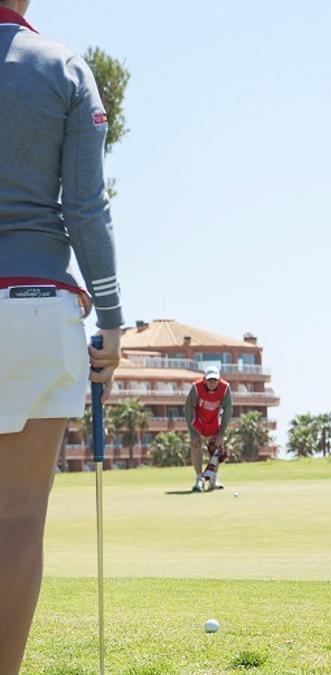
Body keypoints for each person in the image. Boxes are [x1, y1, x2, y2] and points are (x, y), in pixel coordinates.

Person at [0, 1, 123, 670]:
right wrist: (110, 318)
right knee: (16, 520)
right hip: (36, 309)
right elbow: (85, 208)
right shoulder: (63, 67)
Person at [186, 366, 233, 492]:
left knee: (217, 447)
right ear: (205, 380)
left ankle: (213, 478)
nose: (212, 383)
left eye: (214, 380)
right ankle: (199, 479)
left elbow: (228, 410)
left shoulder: (225, 388)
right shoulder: (196, 387)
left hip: (214, 421)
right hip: (198, 421)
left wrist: (221, 433)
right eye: (209, 380)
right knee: (195, 445)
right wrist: (193, 433)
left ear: (219, 380)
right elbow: (189, 408)